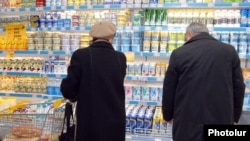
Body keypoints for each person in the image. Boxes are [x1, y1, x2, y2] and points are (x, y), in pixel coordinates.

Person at [162, 22, 245, 141]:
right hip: (221, 119)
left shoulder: (179, 53)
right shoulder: (229, 51)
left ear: (189, 34)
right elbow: (239, 87)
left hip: (187, 122)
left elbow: (169, 87)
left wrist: (167, 115)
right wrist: (234, 117)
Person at [60, 20, 127, 141]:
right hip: (115, 121)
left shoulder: (81, 55)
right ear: (111, 37)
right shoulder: (120, 58)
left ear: (93, 37)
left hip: (90, 122)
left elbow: (68, 91)